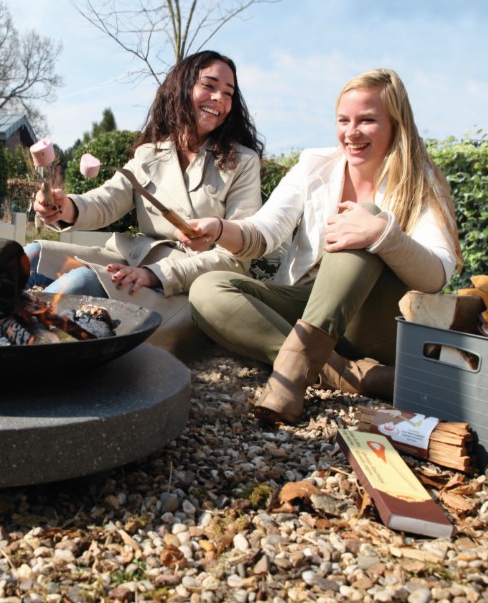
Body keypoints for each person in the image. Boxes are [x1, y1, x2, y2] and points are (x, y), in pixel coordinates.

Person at [178, 68, 462, 425]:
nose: (351, 132)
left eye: (367, 120)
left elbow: (437, 274)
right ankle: (345, 373)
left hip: (372, 323)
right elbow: (265, 231)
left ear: (396, 123)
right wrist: (218, 229)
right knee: (208, 289)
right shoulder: (315, 165)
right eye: (343, 120)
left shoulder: (422, 178)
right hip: (307, 307)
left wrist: (382, 235)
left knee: (363, 218)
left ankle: (292, 372)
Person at [25, 50, 264, 355]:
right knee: (30, 255)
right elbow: (105, 201)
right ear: (182, 88)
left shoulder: (242, 162)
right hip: (130, 261)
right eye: (210, 85)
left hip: (182, 287)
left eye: (228, 93)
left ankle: (13, 345)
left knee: (79, 285)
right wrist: (63, 206)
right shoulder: (149, 154)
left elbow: (235, 258)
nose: (219, 98)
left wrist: (155, 275)